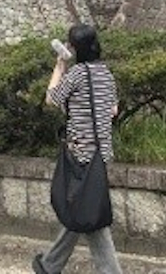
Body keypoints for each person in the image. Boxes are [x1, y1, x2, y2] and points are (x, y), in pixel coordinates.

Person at [33, 23, 122, 274]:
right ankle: (50, 264)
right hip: (101, 153)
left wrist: (60, 65)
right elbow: (113, 109)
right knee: (82, 207)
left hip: (81, 154)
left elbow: (51, 98)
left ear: (73, 48)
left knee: (89, 215)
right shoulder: (105, 73)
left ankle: (109, 271)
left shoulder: (77, 73)